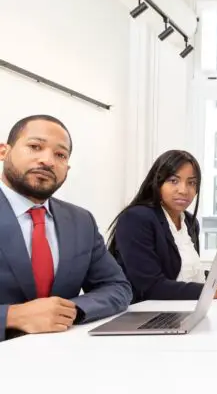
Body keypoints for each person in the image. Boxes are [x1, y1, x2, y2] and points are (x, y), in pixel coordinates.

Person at [0, 115, 132, 342]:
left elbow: (117, 287)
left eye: (60, 155)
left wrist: (71, 310)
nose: (47, 160)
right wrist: (11, 316)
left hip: (65, 356)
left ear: (67, 168)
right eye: (35, 147)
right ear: (4, 151)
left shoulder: (81, 221)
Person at [107, 150, 217, 303]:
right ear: (157, 183)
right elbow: (150, 287)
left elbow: (190, 275)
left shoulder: (190, 222)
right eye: (173, 181)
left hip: (177, 309)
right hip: (141, 314)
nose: (184, 190)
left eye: (191, 183)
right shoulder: (137, 219)